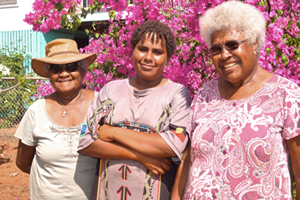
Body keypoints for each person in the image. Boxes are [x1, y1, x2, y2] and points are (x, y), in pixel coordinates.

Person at [171, 1, 300, 199]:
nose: (224, 55)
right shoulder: (205, 94)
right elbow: (189, 161)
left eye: (233, 45)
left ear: (255, 42)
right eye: (216, 49)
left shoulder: (286, 94)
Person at [78, 20, 192, 200]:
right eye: (143, 49)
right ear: (132, 51)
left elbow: (172, 145)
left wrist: (112, 132)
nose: (148, 57)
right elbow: (85, 141)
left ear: (168, 58)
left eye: (157, 52)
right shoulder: (111, 90)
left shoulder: (176, 94)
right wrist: (140, 156)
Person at [15, 39, 98, 199]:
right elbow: (23, 162)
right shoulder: (36, 110)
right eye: (56, 68)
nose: (64, 73)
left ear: (82, 69)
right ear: (49, 73)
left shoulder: (101, 105)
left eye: (71, 66)